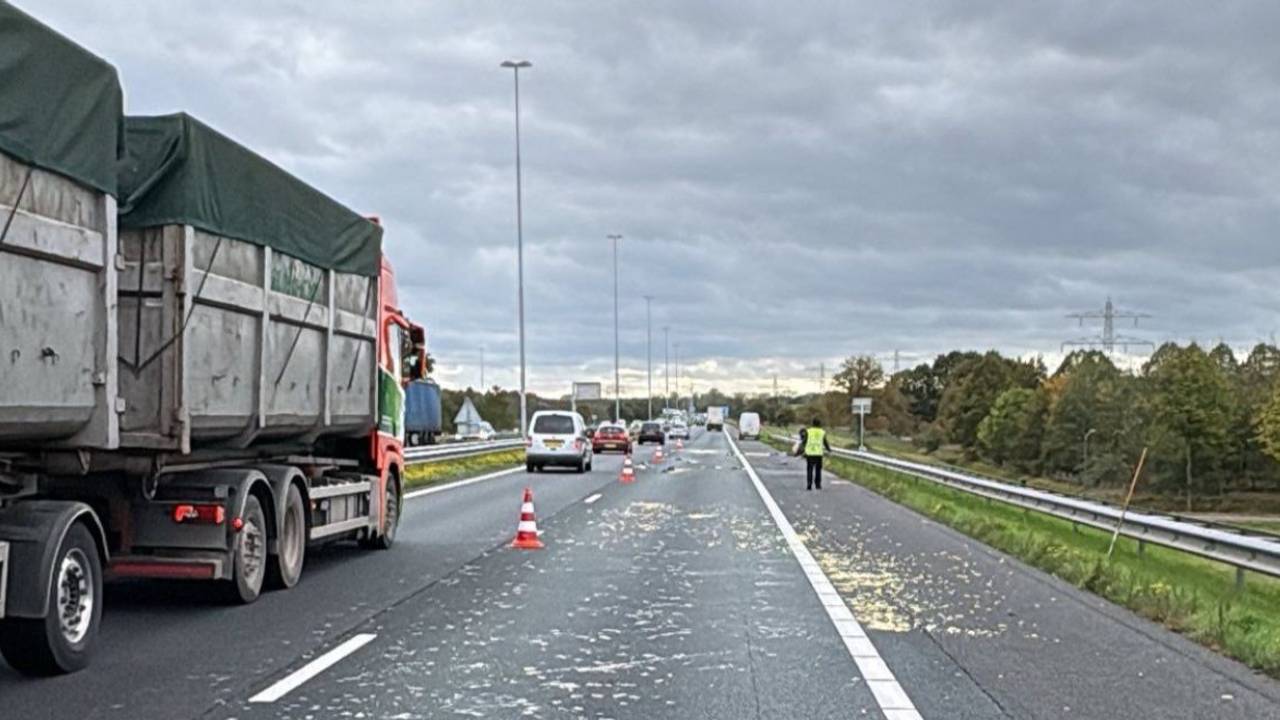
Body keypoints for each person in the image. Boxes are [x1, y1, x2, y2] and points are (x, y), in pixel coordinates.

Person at [795, 417, 831, 490]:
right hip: (818, 453)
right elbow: (825, 442)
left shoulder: (809, 431)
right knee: (818, 470)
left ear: (812, 423)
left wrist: (799, 451)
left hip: (810, 453)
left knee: (810, 469)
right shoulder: (822, 432)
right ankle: (818, 485)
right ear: (819, 424)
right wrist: (829, 450)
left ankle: (809, 484)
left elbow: (804, 442)